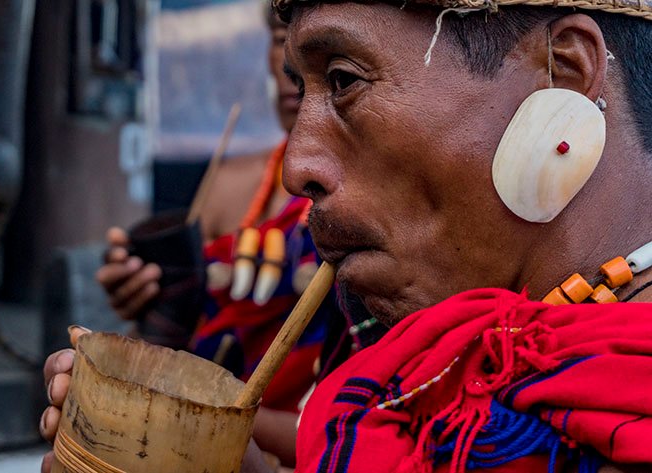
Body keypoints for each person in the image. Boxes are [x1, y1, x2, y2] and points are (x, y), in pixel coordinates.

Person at [44, 0, 652, 471]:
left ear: (563, 73)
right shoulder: (413, 353)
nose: (295, 167)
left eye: (342, 79)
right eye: (300, 88)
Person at [42, 9, 343, 470]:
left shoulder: (366, 210)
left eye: (335, 64)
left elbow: (355, 433)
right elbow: (189, 341)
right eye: (280, 38)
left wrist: (182, 411)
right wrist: (151, 306)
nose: (290, 68)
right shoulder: (228, 182)